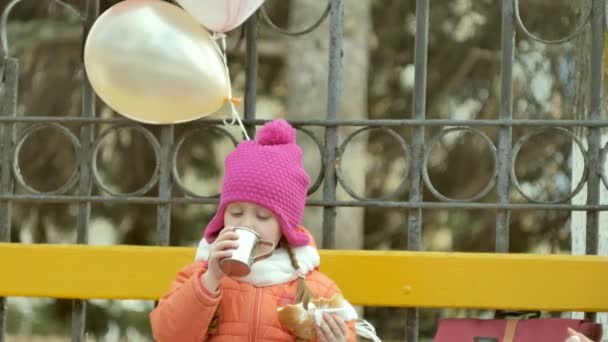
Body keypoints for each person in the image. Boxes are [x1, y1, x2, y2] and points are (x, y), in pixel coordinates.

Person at [150, 119, 379, 341]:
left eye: (262, 216)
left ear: (285, 226)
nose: (246, 224)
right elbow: (168, 335)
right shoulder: (199, 275)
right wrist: (210, 278)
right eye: (236, 213)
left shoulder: (316, 288)